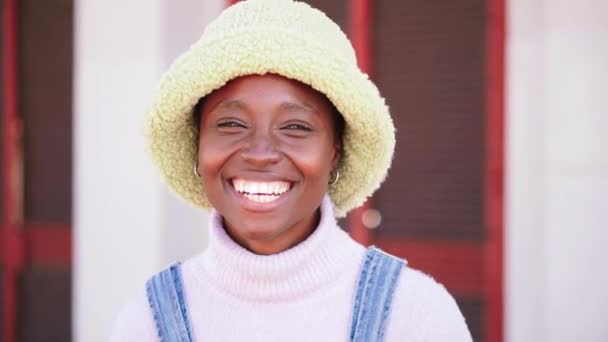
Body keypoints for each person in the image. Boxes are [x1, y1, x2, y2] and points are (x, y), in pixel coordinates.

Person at [111, 0, 472, 341]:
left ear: (336, 150)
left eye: (295, 127)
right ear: (198, 144)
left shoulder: (415, 315)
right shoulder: (146, 321)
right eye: (231, 124)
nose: (260, 153)